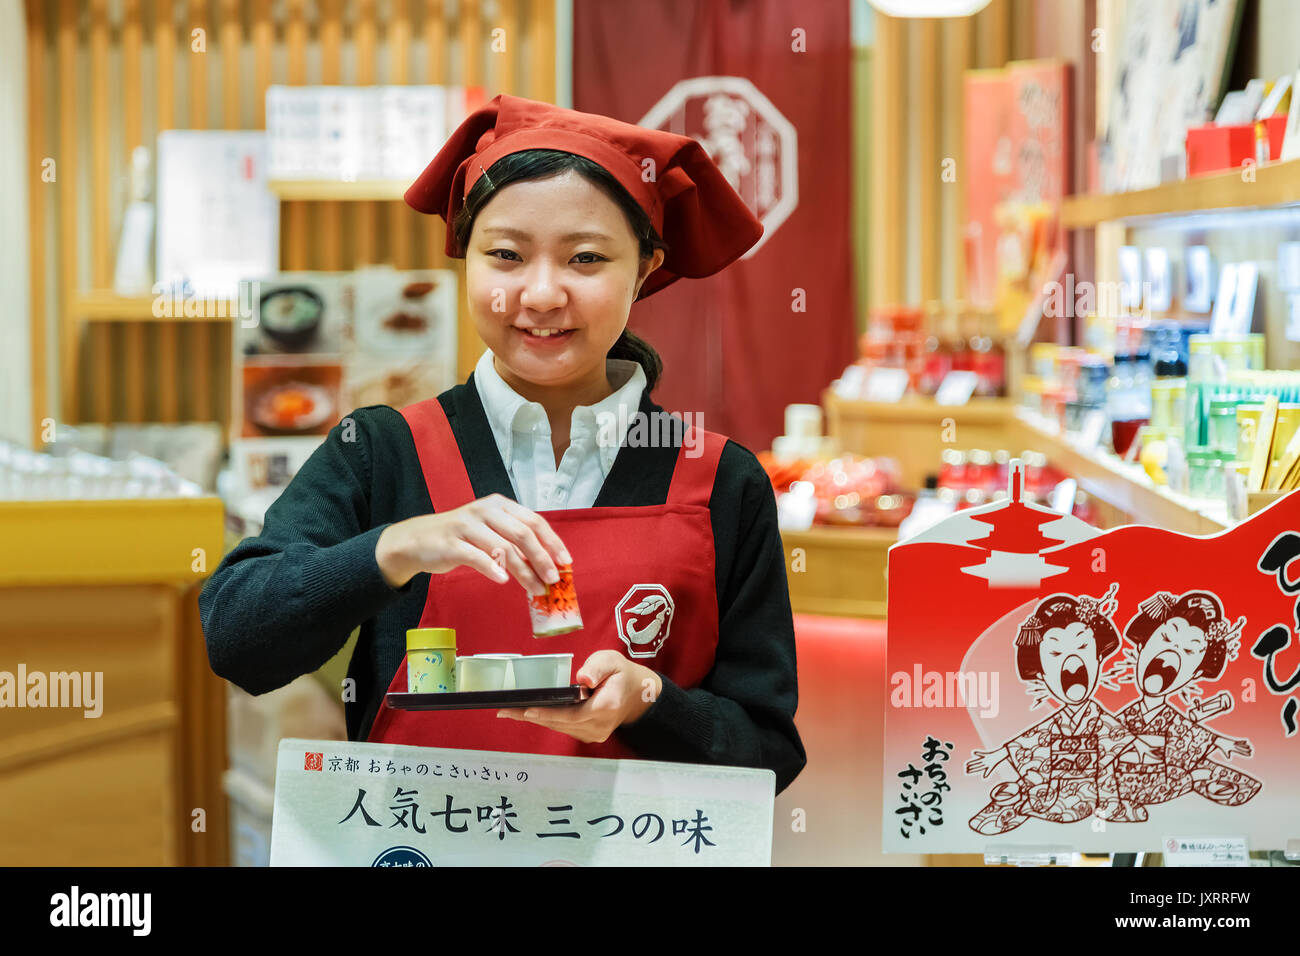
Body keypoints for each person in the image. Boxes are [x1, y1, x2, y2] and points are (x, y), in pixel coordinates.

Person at [199, 94, 806, 794]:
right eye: (507, 255)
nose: (542, 294)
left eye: (585, 258)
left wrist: (651, 701)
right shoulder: (381, 449)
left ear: (644, 268)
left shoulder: (721, 479)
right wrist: (394, 547)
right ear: (466, 260)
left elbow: (769, 752)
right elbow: (238, 641)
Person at [965, 585, 1144, 833]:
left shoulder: (1100, 720)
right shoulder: (1055, 723)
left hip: (1092, 795)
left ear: (1099, 658)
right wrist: (1000, 754)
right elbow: (1031, 740)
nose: (1072, 664)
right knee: (1003, 810)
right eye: (1056, 653)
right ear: (1040, 670)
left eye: (1083, 649)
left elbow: (1121, 742)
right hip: (1052, 794)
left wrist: (1141, 749)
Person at [1113, 590, 1259, 808]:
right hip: (1123, 783)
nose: (1172, 653)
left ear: (1196, 673)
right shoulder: (1124, 717)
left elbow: (1184, 732)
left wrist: (1218, 741)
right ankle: (1196, 777)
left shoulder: (1173, 720)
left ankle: (1198, 777)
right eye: (1165, 638)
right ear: (1143, 644)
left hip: (1157, 779)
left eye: (1189, 650)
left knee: (1232, 782)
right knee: (1199, 772)